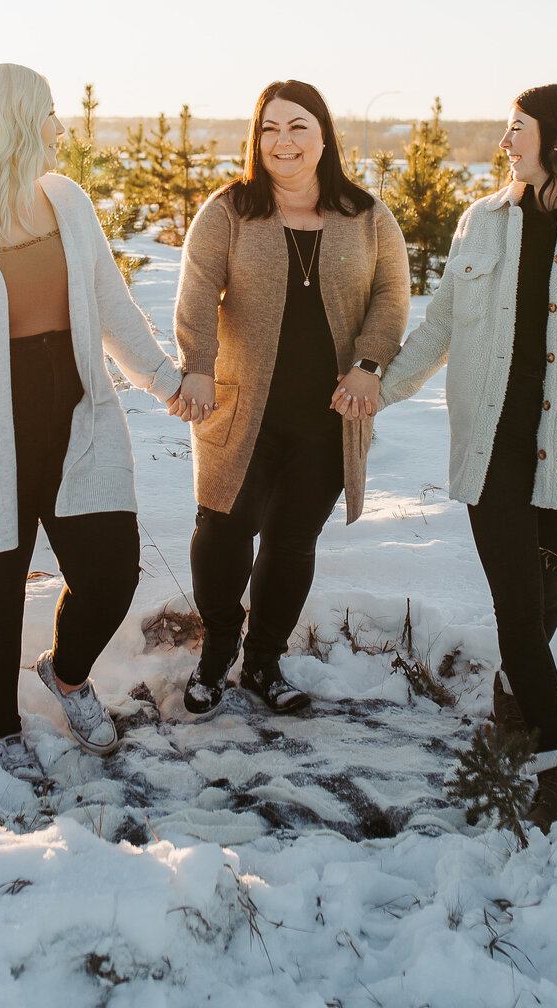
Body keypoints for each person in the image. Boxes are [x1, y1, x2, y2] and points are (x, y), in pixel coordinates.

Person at [378, 82, 557, 831]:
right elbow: (441, 321)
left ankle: (515, 710)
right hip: (492, 446)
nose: (505, 141)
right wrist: (379, 388)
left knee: (540, 607)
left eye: (518, 127)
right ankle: (553, 769)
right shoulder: (480, 221)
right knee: (517, 606)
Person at [0, 64, 180, 781]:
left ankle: (68, 674)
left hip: (79, 415)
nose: (59, 127)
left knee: (111, 573)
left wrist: (164, 379)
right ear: (13, 122)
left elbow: (110, 305)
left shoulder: (66, 201)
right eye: (49, 114)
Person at [171, 79, 411, 714]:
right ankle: (217, 652)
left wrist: (368, 364)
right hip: (242, 410)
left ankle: (264, 664)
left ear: (323, 136)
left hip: (328, 417)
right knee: (221, 534)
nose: (284, 141)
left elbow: (391, 295)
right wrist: (196, 365)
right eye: (270, 128)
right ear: (257, 140)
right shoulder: (229, 211)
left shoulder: (366, 217)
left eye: (298, 126)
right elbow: (197, 290)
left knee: (292, 541)